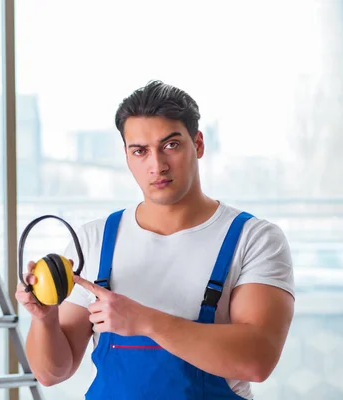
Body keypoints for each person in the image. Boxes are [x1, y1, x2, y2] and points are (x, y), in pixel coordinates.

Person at [15, 80, 295, 399]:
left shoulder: (254, 239)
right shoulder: (94, 240)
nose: (157, 165)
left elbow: (256, 360)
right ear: (127, 155)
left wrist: (144, 321)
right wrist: (45, 319)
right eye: (140, 151)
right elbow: (53, 373)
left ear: (198, 144)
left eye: (171, 145)